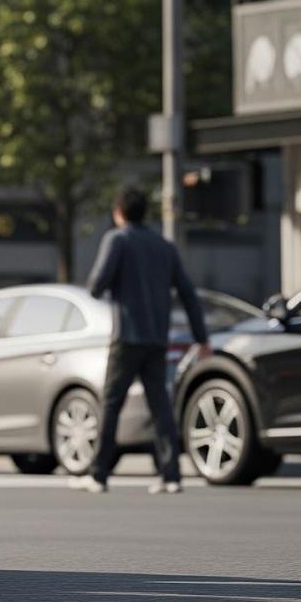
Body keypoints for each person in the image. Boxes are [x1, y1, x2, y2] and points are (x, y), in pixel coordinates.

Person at [76, 186, 208, 495]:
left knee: (111, 403)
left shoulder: (117, 239)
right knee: (160, 405)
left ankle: (99, 475)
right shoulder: (164, 246)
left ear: (118, 212)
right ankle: (171, 475)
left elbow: (96, 285)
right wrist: (202, 338)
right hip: (157, 338)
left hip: (127, 336)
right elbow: (188, 293)